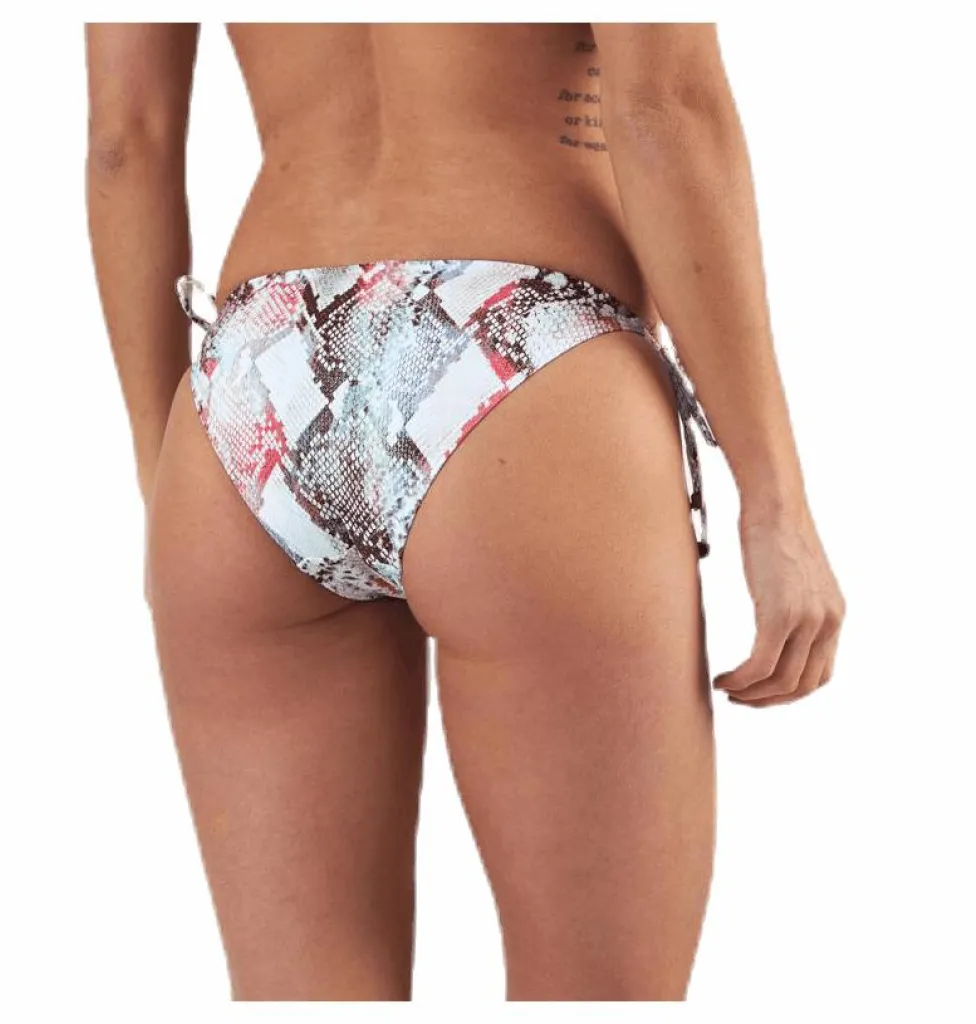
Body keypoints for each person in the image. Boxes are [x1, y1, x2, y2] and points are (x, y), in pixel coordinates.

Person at [85, 22, 845, 1001]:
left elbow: (126, 141)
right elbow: (665, 108)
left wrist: (170, 478)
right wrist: (774, 503)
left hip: (256, 377)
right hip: (521, 354)